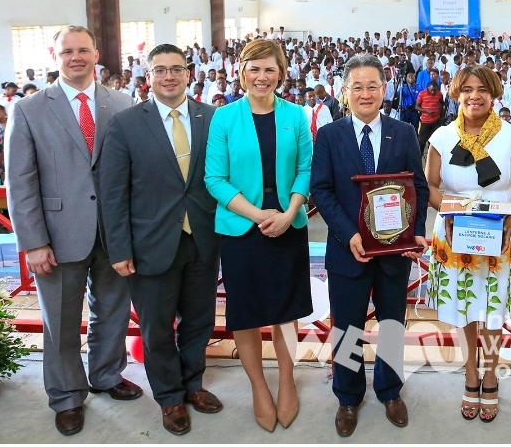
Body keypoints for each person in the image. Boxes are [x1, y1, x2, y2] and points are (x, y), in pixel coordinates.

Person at [5, 25, 139, 436]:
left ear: (97, 54)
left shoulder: (122, 102)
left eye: (83, 50)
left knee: (112, 311)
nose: (76, 57)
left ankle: (106, 374)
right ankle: (66, 395)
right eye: (67, 51)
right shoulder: (28, 109)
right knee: (61, 321)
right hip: (57, 234)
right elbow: (20, 180)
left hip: (113, 233)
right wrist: (34, 242)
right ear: (55, 56)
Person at [100, 44, 222, 436]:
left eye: (176, 68)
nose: (169, 76)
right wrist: (119, 248)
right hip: (149, 244)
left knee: (199, 321)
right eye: (160, 70)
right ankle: (169, 397)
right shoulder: (126, 124)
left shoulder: (211, 118)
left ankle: (193, 384)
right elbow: (113, 193)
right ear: (148, 77)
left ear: (189, 73)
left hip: (202, 239)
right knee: (156, 328)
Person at [310, 54, 428, 438]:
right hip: (348, 250)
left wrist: (416, 232)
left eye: (372, 86)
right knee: (347, 329)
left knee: (392, 324)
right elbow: (322, 191)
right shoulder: (330, 136)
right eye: (357, 87)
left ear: (384, 89)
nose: (365, 94)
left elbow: (418, 187)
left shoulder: (404, 132)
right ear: (345, 91)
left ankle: (390, 391)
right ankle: (347, 397)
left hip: (395, 252)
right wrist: (351, 234)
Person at [204, 38, 313, 432]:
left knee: (286, 311)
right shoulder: (224, 118)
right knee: (246, 312)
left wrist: (289, 213)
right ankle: (258, 386)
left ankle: (286, 380)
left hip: (287, 222)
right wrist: (257, 215)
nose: (262, 77)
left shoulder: (296, 115)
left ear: (281, 73)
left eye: (270, 69)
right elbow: (215, 178)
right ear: (242, 72)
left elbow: (304, 170)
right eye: (255, 69)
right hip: (241, 226)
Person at [424, 64, 511, 423]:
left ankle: (491, 375)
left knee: (492, 308)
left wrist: (510, 220)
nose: (475, 96)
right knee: (464, 306)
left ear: (494, 94)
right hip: (455, 232)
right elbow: (431, 186)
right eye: (468, 89)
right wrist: (449, 212)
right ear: (458, 93)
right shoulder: (442, 137)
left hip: (500, 232)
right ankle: (471, 375)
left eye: (482, 89)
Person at [415, 80, 445, 152]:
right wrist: (426, 111)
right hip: (425, 121)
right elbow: (416, 107)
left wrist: (440, 107)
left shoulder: (439, 94)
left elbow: (442, 103)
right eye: (431, 90)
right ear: (428, 88)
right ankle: (419, 155)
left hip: (436, 121)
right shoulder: (422, 94)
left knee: (434, 141)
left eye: (434, 90)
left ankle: (431, 155)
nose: (433, 92)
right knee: (422, 141)